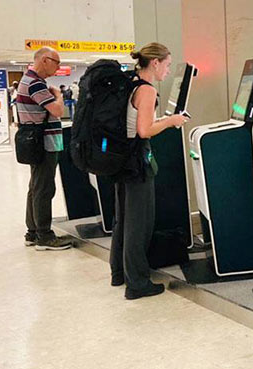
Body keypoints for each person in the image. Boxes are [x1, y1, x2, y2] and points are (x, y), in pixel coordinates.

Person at [110, 42, 188, 300]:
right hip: (137, 161)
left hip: (122, 160)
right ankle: (137, 283)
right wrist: (170, 121)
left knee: (123, 218)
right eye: (166, 65)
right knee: (138, 223)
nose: (167, 71)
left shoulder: (129, 83)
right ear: (155, 63)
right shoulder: (146, 90)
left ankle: (119, 272)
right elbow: (144, 130)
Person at [17, 47, 72, 251]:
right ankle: (44, 236)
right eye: (56, 62)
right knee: (44, 188)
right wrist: (58, 95)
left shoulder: (29, 80)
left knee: (36, 186)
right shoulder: (35, 83)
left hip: (38, 141)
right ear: (43, 60)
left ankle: (32, 232)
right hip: (44, 143)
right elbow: (57, 110)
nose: (58, 67)